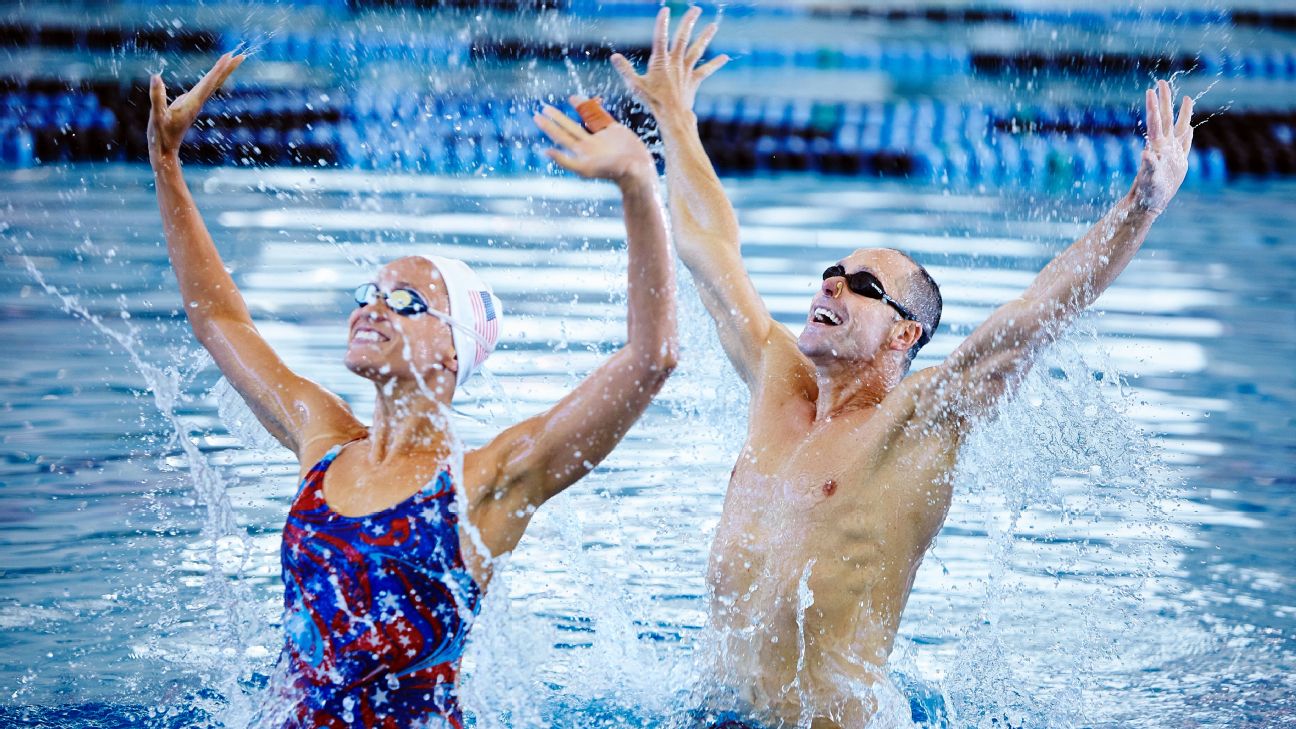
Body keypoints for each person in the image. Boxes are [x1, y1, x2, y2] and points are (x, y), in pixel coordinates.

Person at [612, 9, 1195, 728]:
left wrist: (1142, 204)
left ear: (904, 334)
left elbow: (1033, 314)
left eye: (863, 285)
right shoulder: (777, 380)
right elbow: (711, 249)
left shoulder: (918, 422)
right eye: (832, 272)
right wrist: (675, 118)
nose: (832, 285)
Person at [147, 52, 677, 728]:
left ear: (454, 351)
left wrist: (637, 182)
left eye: (405, 301)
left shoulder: (486, 481)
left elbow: (651, 357)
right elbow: (219, 319)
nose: (373, 308)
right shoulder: (324, 443)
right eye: (369, 294)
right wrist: (166, 162)